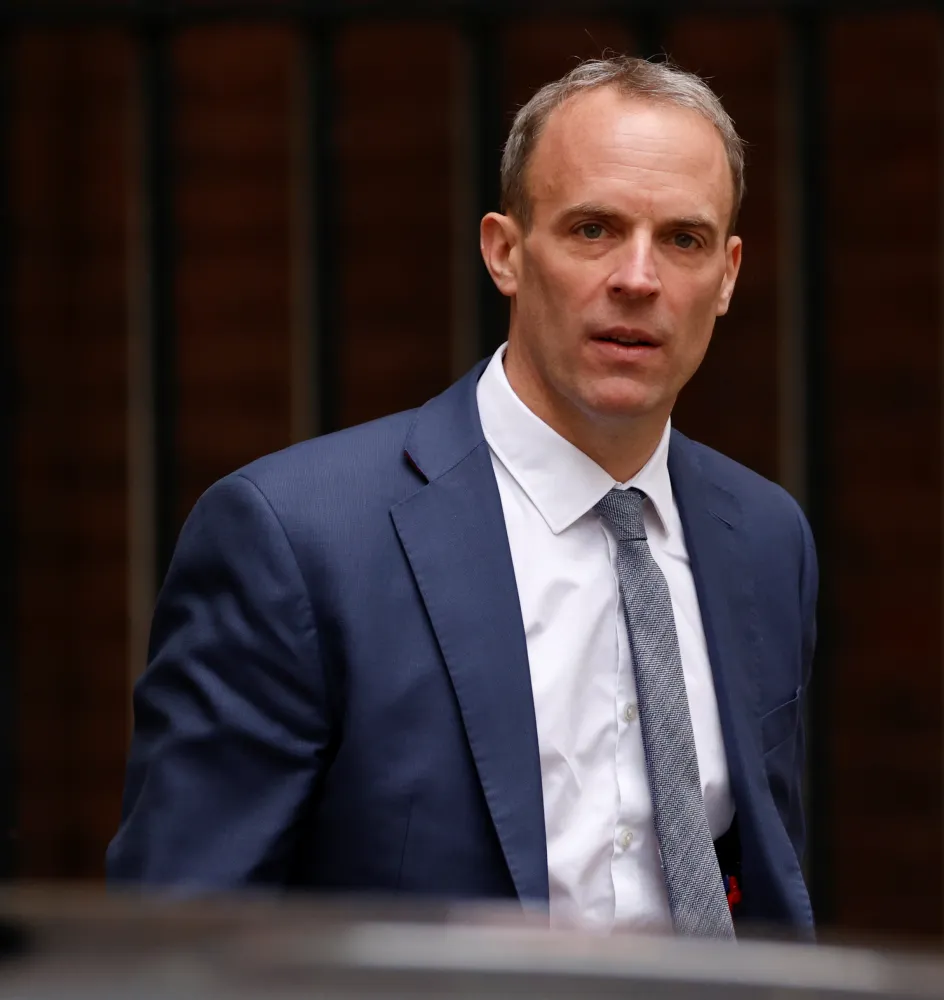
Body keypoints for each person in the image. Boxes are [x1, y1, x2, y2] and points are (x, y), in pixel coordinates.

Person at [106, 56, 816, 940]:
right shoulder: (297, 539)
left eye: (683, 239)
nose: (640, 278)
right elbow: (179, 940)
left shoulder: (762, 535)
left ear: (728, 274)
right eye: (593, 229)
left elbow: (756, 868)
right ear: (505, 252)